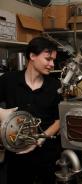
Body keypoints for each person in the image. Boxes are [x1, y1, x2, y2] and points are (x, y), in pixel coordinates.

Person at [0, 36, 62, 184]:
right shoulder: (8, 80)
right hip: (16, 157)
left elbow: (59, 120)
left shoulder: (55, 86)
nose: (52, 64)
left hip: (47, 156)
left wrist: (38, 140)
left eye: (53, 60)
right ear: (32, 56)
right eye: (48, 59)